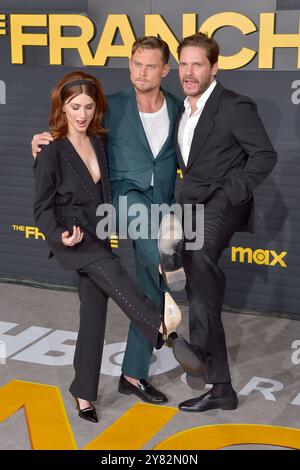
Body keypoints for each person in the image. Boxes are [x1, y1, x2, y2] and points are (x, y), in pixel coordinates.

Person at [32, 37, 184, 405]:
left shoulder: (179, 108)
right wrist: (38, 140)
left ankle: (132, 374)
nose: (141, 72)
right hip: (125, 201)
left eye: (150, 66)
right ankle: (170, 283)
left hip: (161, 201)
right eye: (136, 64)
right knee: (157, 256)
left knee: (139, 293)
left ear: (165, 70)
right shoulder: (111, 107)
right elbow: (69, 132)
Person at [172, 33, 277, 412]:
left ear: (213, 68)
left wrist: (232, 191)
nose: (188, 71)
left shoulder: (234, 105)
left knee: (200, 263)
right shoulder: (182, 109)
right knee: (199, 285)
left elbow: (264, 155)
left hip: (222, 203)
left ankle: (209, 367)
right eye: (183, 64)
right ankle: (218, 383)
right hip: (190, 205)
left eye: (196, 64)